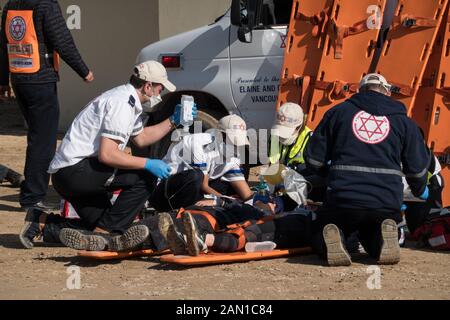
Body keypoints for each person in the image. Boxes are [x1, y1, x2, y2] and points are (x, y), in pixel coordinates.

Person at [19, 60, 197, 250]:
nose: (160, 94)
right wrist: (148, 164)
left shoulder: (125, 99)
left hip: (70, 174)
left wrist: (173, 121)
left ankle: (42, 223)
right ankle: (108, 234)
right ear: (148, 86)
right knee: (146, 176)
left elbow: (142, 138)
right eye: (160, 89)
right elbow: (108, 154)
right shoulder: (122, 104)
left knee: (101, 221)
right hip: (75, 172)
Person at [304, 73, 430, 266]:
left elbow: (313, 158)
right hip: (386, 201)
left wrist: (329, 175)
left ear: (360, 91)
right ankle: (383, 239)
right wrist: (420, 188)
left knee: (324, 228)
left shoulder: (338, 112)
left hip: (343, 198)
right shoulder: (405, 122)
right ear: (387, 92)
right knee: (372, 231)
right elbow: (418, 168)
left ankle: (335, 239)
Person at [0, 0, 94, 211]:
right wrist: (84, 71)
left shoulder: (11, 5)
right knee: (43, 142)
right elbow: (62, 41)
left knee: (36, 138)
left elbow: (3, 44)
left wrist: (3, 81)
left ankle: (31, 193)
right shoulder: (45, 4)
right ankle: (32, 198)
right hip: (40, 80)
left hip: (19, 78)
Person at [149, 115, 254, 212]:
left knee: (230, 187)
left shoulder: (233, 155)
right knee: (196, 175)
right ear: (220, 135)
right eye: (233, 142)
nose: (236, 147)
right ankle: (187, 212)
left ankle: (205, 207)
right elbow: (203, 185)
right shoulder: (197, 143)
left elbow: (245, 193)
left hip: (194, 189)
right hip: (164, 193)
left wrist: (259, 201)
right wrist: (223, 202)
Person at [268, 102, 326, 207]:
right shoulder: (274, 137)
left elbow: (323, 177)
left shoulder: (312, 140)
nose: (281, 136)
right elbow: (274, 165)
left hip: (309, 189)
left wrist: (296, 182)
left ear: (299, 126)